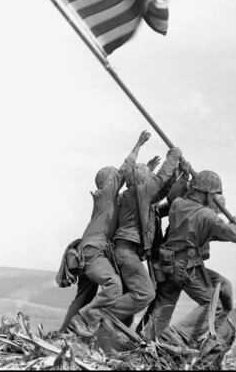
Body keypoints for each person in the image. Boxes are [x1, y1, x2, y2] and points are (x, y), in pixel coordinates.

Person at [140, 170, 236, 345]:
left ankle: (147, 338)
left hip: (168, 263)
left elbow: (210, 232)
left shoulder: (178, 204)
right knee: (214, 305)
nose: (214, 198)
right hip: (186, 267)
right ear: (206, 193)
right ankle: (177, 336)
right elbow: (234, 235)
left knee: (165, 304)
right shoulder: (206, 215)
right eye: (214, 194)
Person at [66, 131, 151, 336]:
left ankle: (65, 332)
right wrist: (139, 144)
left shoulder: (112, 200)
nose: (119, 179)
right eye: (115, 177)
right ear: (108, 181)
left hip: (95, 251)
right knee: (114, 285)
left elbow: (132, 184)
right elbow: (124, 169)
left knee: (84, 296)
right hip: (93, 251)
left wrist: (148, 170)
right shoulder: (105, 195)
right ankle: (86, 319)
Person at [106, 145, 182, 323]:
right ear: (143, 181)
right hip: (126, 252)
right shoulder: (140, 192)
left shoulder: (131, 195)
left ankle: (112, 328)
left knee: (131, 295)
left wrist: (178, 174)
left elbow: (162, 190)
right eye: (150, 178)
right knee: (145, 293)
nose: (152, 180)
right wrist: (173, 156)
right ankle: (104, 316)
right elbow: (161, 180)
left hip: (124, 252)